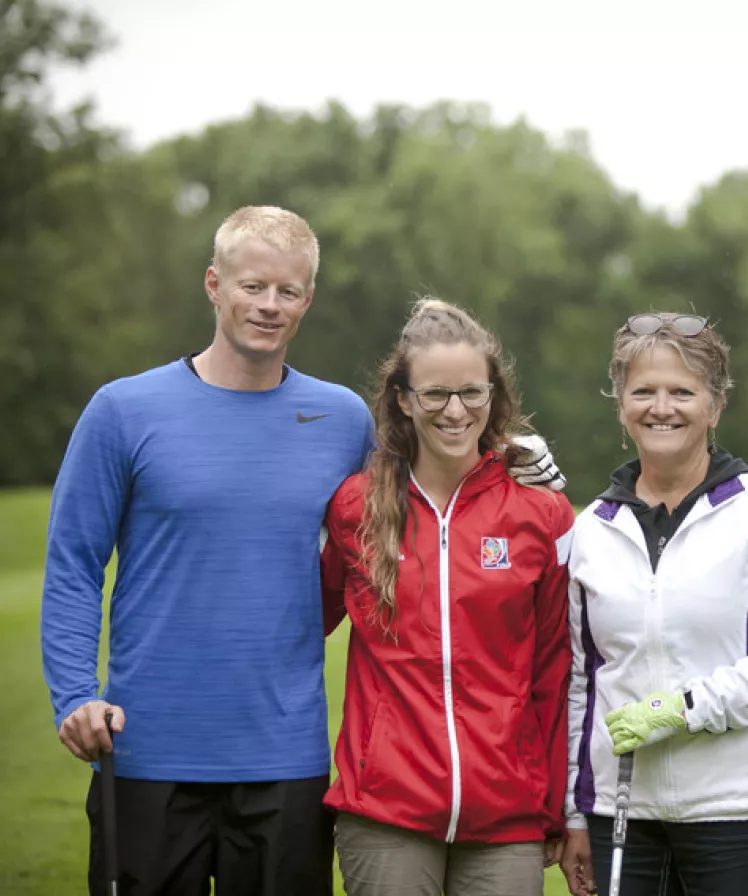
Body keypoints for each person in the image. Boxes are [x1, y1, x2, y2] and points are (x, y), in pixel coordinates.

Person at [40, 207, 563, 896]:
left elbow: (439, 469)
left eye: (288, 291)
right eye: (252, 285)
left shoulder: (343, 418)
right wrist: (75, 693)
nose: (269, 305)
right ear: (213, 284)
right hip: (148, 749)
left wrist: (518, 458)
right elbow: (74, 563)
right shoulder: (123, 410)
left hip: (286, 758)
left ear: (308, 298)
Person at [560, 312, 748, 896]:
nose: (662, 407)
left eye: (682, 391)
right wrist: (575, 812)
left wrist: (685, 708)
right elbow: (579, 680)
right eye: (643, 391)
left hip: (737, 810)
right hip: (619, 811)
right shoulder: (591, 531)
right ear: (621, 405)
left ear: (716, 405)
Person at [319, 298, 575, 896]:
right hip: (385, 813)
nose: (455, 411)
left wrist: (556, 804)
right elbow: (302, 623)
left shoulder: (542, 512)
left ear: (493, 395)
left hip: (507, 815)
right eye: (435, 394)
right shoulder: (355, 506)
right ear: (404, 399)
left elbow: (555, 670)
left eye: (471, 393)